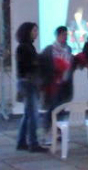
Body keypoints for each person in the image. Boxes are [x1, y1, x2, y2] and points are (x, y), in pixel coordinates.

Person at [15, 22, 48, 153]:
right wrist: (38, 62)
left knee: (28, 114)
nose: (36, 33)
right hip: (28, 82)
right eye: (34, 30)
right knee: (33, 115)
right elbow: (26, 66)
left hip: (29, 82)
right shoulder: (24, 47)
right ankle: (33, 144)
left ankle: (21, 141)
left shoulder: (29, 46)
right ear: (27, 31)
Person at [39, 26, 76, 139]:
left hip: (65, 83)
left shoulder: (69, 48)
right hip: (53, 84)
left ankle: (58, 132)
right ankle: (46, 130)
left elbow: (70, 64)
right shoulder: (49, 49)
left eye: (66, 35)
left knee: (62, 108)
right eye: (63, 35)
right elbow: (43, 65)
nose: (65, 37)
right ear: (57, 35)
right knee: (52, 108)